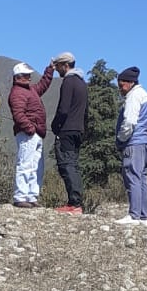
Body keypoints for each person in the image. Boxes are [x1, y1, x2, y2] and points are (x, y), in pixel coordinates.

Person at [8, 60, 54, 207]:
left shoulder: (29, 89)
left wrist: (50, 70)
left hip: (35, 133)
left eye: (29, 75)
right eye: (26, 75)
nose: (29, 77)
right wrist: (30, 129)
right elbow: (18, 115)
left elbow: (42, 85)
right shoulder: (17, 93)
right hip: (28, 134)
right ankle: (21, 196)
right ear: (18, 77)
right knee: (25, 164)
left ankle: (32, 196)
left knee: (36, 166)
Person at [114, 66, 147, 226]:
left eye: (121, 85)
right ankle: (144, 216)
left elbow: (129, 121)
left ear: (130, 83)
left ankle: (134, 215)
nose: (120, 89)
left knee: (132, 176)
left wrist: (121, 138)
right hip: (145, 143)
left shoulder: (133, 97)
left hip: (134, 143)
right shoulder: (145, 95)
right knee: (142, 178)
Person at [50, 52, 88, 213]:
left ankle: (74, 203)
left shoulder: (68, 82)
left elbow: (63, 108)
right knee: (73, 164)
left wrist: (55, 125)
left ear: (65, 65)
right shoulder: (82, 83)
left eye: (58, 66)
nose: (57, 69)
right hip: (78, 129)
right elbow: (86, 111)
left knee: (66, 165)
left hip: (66, 129)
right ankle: (77, 201)